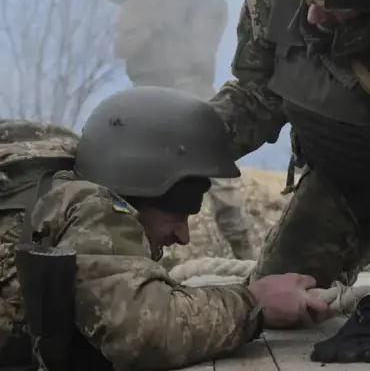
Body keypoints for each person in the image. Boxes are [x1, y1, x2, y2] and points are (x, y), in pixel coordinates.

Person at [0, 87, 327, 371]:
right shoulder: (92, 204)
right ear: (134, 190)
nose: (182, 237)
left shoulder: (38, 173)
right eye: (179, 208)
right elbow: (143, 331)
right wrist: (254, 303)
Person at [209, 0, 370, 363]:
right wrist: (180, 146)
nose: (314, 15)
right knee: (282, 302)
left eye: (334, 3)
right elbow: (258, 96)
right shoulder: (278, 2)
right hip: (345, 180)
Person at [97, 0, 252, 260]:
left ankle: (250, 258)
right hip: (146, 87)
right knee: (130, 171)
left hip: (187, 88)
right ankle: (130, 253)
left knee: (218, 179)